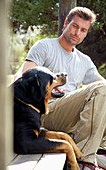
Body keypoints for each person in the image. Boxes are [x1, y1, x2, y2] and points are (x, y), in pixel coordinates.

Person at [14, 7, 106, 169]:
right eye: (75, 26)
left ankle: (101, 150)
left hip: (68, 117)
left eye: (83, 30)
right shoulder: (45, 46)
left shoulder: (84, 60)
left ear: (86, 33)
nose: (77, 32)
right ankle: (85, 160)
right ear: (66, 23)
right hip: (45, 111)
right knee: (101, 89)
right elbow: (26, 77)